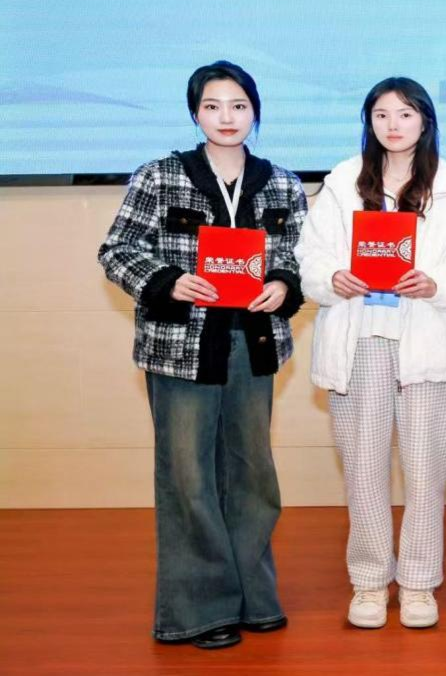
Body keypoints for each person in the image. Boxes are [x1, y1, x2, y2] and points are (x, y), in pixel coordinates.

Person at [98, 60, 306, 649]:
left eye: (238, 106)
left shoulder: (283, 183)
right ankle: (199, 611)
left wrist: (284, 284)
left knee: (252, 475)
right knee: (188, 477)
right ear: (195, 113)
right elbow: (117, 250)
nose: (226, 117)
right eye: (212, 106)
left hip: (253, 345)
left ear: (255, 113)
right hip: (181, 348)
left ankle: (253, 597)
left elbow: (297, 254)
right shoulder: (160, 176)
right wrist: (168, 280)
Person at [295, 77, 446, 629]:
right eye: (381, 114)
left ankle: (419, 584)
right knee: (363, 470)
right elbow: (309, 256)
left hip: (424, 342)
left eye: (405, 114)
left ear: (425, 121)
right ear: (369, 122)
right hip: (360, 342)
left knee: (425, 472)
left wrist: (437, 284)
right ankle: (370, 582)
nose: (393, 125)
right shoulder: (341, 183)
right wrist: (333, 277)